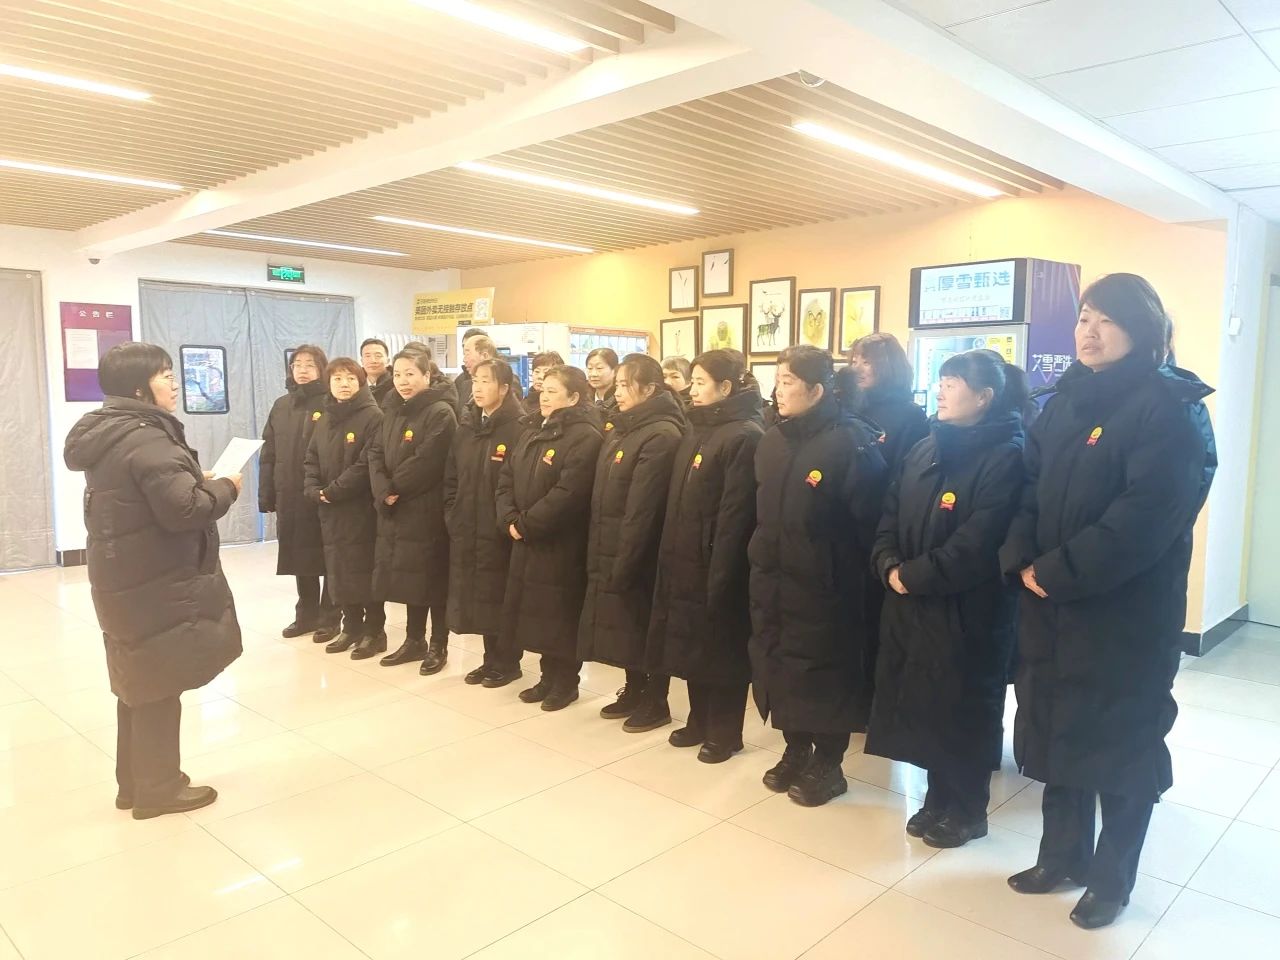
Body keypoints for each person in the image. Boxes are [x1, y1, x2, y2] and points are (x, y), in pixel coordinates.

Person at [999, 274, 1216, 930]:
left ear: (1140, 328)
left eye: (1105, 320)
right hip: (1051, 604)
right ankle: (1060, 857)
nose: (1087, 332)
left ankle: (1111, 880)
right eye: (1083, 318)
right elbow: (1028, 490)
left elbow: (1145, 518)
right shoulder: (1064, 401)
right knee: (1058, 730)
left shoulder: (1171, 407)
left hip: (1126, 615)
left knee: (1122, 746)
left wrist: (1056, 571)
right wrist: (1022, 561)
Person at [64, 342, 242, 819]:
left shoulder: (111, 431)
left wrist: (193, 477)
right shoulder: (148, 439)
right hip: (157, 579)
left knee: (137, 683)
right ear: (140, 388)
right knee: (160, 684)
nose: (174, 383)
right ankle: (159, 790)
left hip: (126, 576)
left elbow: (151, 493)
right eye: (165, 374)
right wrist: (225, 488)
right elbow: (185, 510)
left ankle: (134, 784)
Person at [867, 349, 1027, 849]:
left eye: (953, 383)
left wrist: (913, 575)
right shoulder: (925, 447)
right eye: (941, 380)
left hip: (969, 608)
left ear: (984, 397)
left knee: (966, 706)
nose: (941, 390)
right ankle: (937, 798)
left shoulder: (1008, 456)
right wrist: (887, 563)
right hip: (913, 600)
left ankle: (968, 809)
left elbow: (978, 543)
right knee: (927, 700)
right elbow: (890, 513)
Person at [748, 345, 888, 807]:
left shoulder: (851, 442)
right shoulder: (773, 439)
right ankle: (795, 749)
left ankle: (828, 763)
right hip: (774, 577)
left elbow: (870, 523)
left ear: (817, 389)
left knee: (824, 673)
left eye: (788, 381)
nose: (778, 390)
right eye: (777, 380)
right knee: (781, 664)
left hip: (828, 586)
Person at [647, 350, 764, 762]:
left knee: (722, 649)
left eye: (700, 383)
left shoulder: (744, 435)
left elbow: (736, 515)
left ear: (725, 387)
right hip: (685, 557)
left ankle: (725, 732)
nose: (692, 390)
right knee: (693, 645)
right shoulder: (698, 427)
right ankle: (698, 719)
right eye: (692, 382)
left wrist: (721, 571)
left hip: (718, 562)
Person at [578, 355, 687, 732]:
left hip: (643, 552)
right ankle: (634, 688)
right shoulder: (623, 427)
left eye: (626, 385)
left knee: (645, 626)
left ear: (650, 389)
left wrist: (625, 559)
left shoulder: (662, 434)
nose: (618, 391)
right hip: (611, 541)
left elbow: (643, 508)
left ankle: (656, 699)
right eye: (619, 384)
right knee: (625, 625)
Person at [497, 365, 604, 711]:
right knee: (537, 613)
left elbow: (569, 493)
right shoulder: (532, 429)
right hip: (527, 537)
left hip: (561, 542)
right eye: (543, 389)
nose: (544, 396)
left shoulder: (586, 436)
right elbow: (506, 476)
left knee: (561, 613)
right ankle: (546, 677)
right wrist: (509, 518)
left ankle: (566, 682)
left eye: (553, 391)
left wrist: (527, 524)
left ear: (574, 398)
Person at [368, 351, 459, 671]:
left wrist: (394, 487)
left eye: (410, 374)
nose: (403, 381)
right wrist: (382, 489)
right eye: (398, 375)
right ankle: (413, 640)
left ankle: (438, 644)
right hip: (396, 508)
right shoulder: (391, 409)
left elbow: (428, 460)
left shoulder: (441, 412)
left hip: (426, 508)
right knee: (410, 578)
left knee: (432, 579)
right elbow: (375, 452)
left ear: (427, 376)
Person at [446, 358, 528, 687]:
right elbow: (451, 476)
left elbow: (520, 483)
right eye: (475, 381)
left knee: (501, 596)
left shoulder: (519, 428)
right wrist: (452, 512)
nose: (478, 388)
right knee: (478, 596)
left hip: (500, 528)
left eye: (487, 381)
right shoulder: (467, 426)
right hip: (468, 524)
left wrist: (507, 520)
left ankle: (508, 662)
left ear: (505, 388)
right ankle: (489, 659)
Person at [304, 358, 386, 658]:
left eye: (350, 378)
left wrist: (333, 491)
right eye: (337, 378)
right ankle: (351, 627)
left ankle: (374, 631)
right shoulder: (326, 417)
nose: (344, 384)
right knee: (339, 569)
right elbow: (311, 458)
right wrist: (314, 489)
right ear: (329, 383)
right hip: (330, 509)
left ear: (360, 382)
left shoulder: (373, 416)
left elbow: (367, 463)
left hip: (361, 508)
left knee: (365, 570)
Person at [259, 345, 338, 642]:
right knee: (298, 555)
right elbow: (269, 452)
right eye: (297, 364)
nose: (302, 370)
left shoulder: (331, 402)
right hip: (289, 493)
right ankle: (306, 615)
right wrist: (266, 492)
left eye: (309, 364)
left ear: (322, 368)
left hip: (321, 493)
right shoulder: (281, 405)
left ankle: (331, 616)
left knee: (328, 555)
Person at [847, 333, 929, 474]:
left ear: (888, 366)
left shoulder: (911, 415)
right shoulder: (849, 407)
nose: (856, 369)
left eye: (866, 362)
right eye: (854, 362)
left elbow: (907, 472)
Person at [453, 327, 487, 410]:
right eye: (464, 348)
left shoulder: (504, 378)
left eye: (469, 350)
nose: (464, 359)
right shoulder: (460, 380)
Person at [524, 350, 564, 416]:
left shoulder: (560, 404)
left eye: (546, 372)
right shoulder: (523, 403)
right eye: (537, 371)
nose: (540, 376)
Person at [361, 338, 393, 406]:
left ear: (388, 361)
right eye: (367, 356)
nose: (373, 360)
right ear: (362, 361)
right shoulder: (356, 385)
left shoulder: (396, 384)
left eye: (378, 356)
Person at [586, 347, 619, 412]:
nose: (593, 374)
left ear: (615, 370)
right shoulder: (582, 396)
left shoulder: (620, 399)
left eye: (599, 368)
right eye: (590, 368)